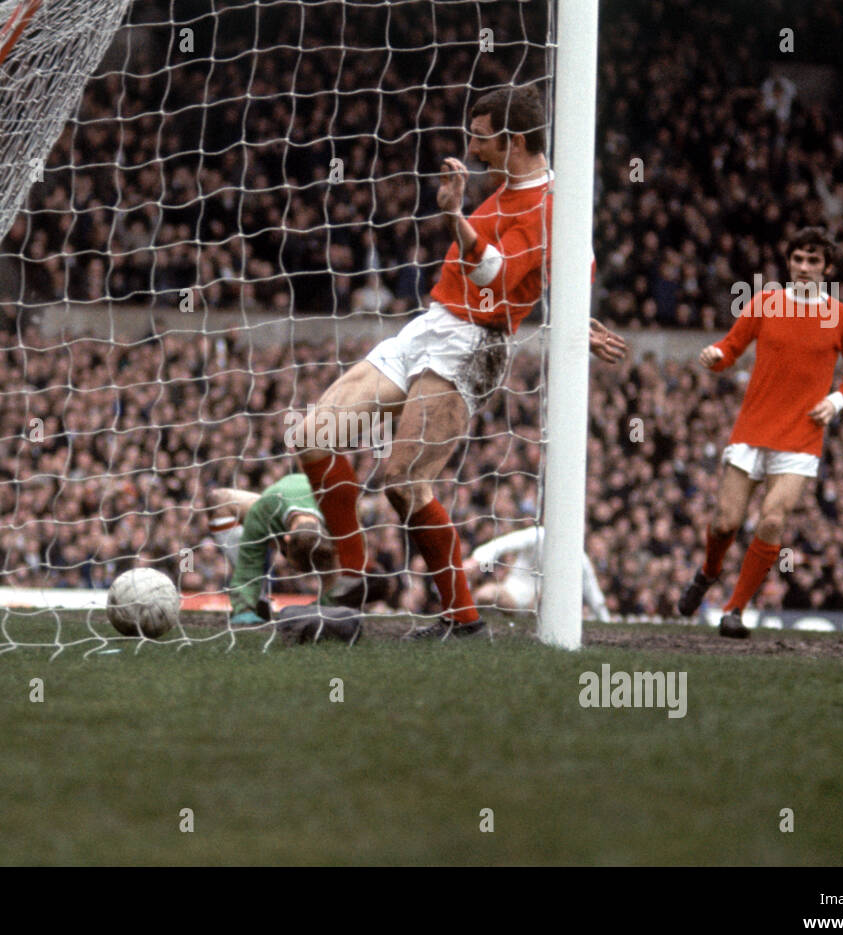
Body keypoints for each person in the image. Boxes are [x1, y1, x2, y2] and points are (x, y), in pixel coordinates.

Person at [291, 85, 627, 640]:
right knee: (315, 435)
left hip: (474, 344)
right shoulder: (510, 187)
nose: (471, 142)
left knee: (402, 480)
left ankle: (461, 618)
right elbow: (573, 268)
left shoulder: (552, 204)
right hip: (432, 323)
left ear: (514, 140)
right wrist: (573, 310)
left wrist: (454, 215)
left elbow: (497, 272)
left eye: (480, 134)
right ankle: (349, 585)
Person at [676, 227, 843, 637]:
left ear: (827, 268)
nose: (804, 267)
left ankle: (734, 611)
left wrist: (835, 402)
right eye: (798, 259)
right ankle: (708, 572)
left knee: (771, 522)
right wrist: (714, 356)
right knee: (726, 522)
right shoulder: (764, 303)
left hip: (801, 435)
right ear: (789, 263)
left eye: (813, 260)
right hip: (752, 428)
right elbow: (731, 349)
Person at [205, 475, 338, 627]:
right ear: (285, 540)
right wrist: (244, 608)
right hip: (276, 506)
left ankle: (329, 602)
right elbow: (249, 559)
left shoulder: (337, 515)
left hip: (312, 511)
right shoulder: (263, 510)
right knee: (218, 501)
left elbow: (344, 564)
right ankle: (256, 597)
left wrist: (327, 606)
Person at [465, 525, 610, 621]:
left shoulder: (578, 556)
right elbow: (506, 543)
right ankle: (464, 616)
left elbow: (592, 590)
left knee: (553, 593)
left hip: (541, 604)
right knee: (486, 594)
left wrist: (605, 619)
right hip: (512, 595)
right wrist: (478, 558)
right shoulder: (538, 535)